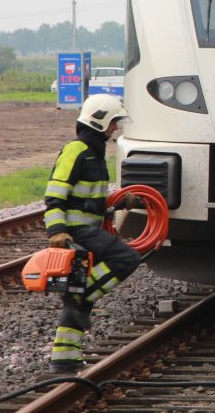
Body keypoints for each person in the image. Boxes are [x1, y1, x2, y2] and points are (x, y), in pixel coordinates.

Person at [43, 94, 142, 373]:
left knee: (76, 291)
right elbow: (54, 196)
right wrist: (58, 231)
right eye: (112, 123)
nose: (115, 129)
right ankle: (83, 295)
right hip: (76, 233)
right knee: (126, 259)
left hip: (87, 231)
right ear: (98, 121)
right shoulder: (75, 150)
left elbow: (93, 199)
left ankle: (64, 359)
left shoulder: (94, 154)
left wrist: (122, 201)